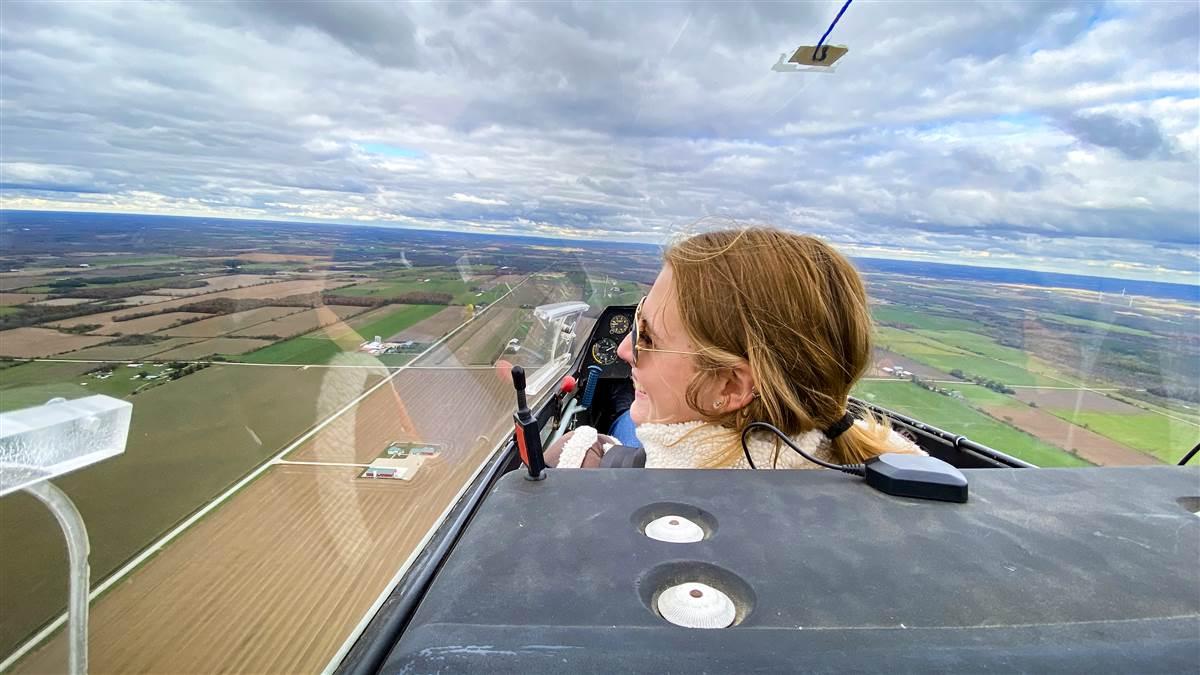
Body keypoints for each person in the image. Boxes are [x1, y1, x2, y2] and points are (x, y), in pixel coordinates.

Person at [546, 226, 922, 469]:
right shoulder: (908, 470)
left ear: (731, 386)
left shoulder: (587, 468)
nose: (626, 350)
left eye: (648, 337)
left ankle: (620, 408)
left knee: (628, 421)